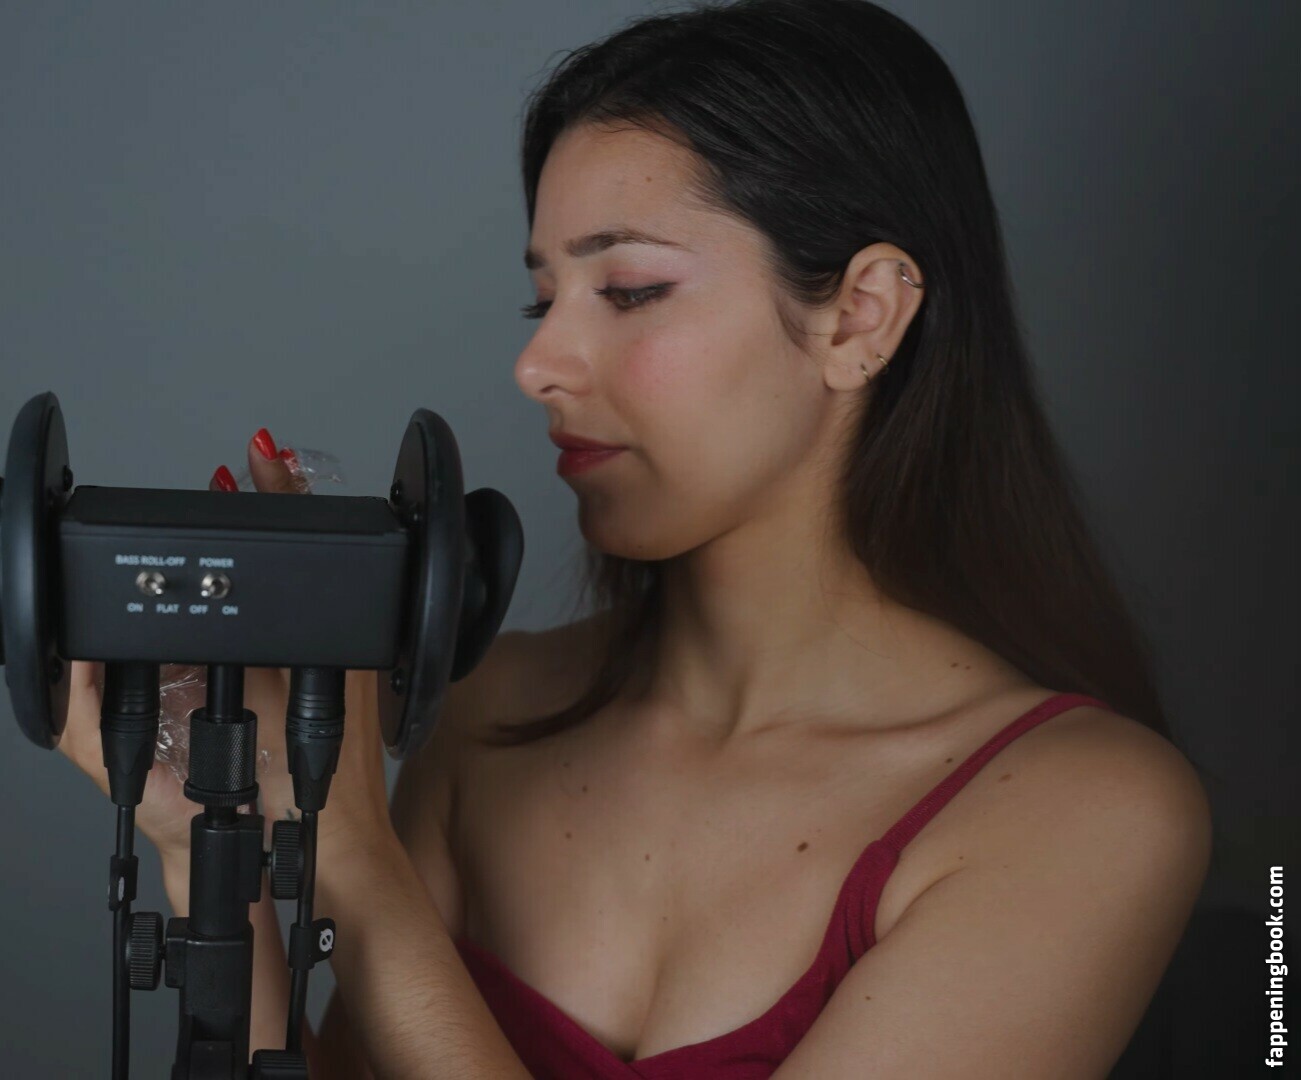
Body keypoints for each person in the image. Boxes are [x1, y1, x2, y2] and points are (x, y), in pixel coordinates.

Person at [58, 1, 1212, 1076]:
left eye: (629, 291)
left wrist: (355, 861)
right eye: (542, 300)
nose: (536, 364)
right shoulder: (489, 714)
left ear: (859, 316)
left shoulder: (1083, 810)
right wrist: (207, 838)